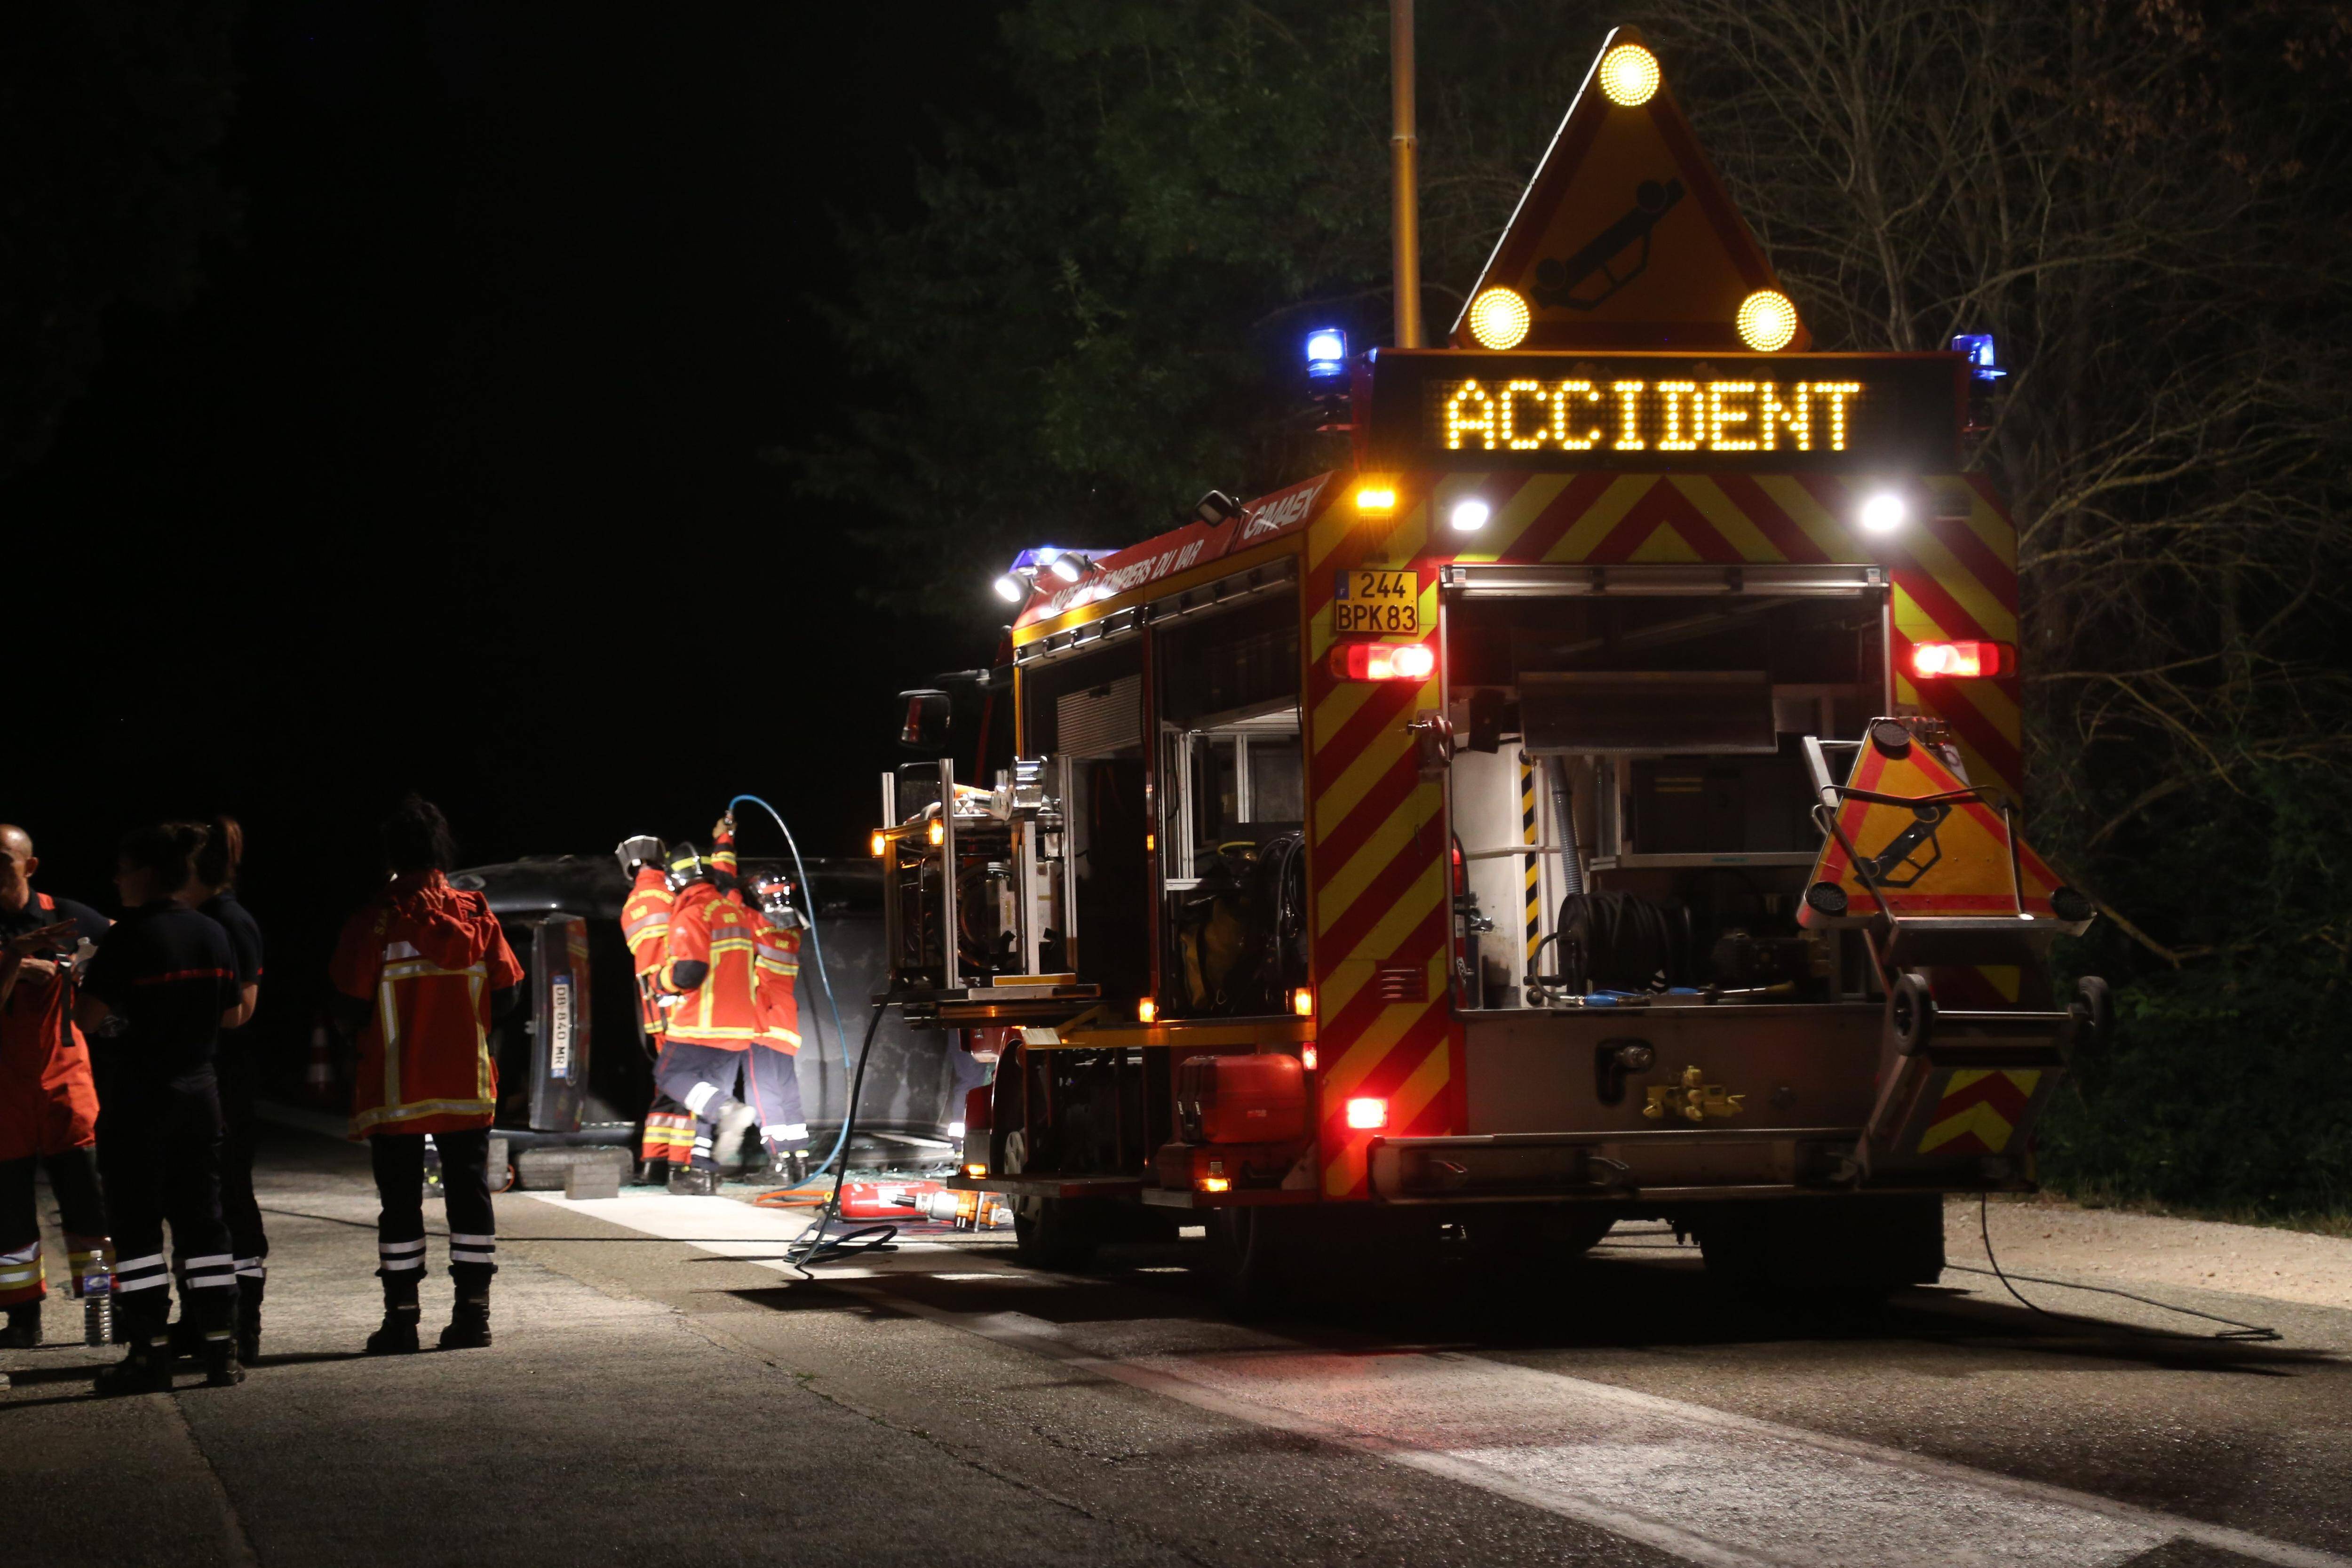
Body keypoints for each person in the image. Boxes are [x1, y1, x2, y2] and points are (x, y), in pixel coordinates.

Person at [328, 796, 522, 1354]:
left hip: (396, 1088)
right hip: (466, 1083)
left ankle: (401, 1321)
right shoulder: (477, 914)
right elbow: (508, 996)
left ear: (390, 855)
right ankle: (473, 1316)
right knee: (469, 1194)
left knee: (399, 1202)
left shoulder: (375, 921)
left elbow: (347, 1006)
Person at [75, 822, 244, 1392]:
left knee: (138, 1229)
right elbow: (230, 1013)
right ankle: (221, 1348)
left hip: (139, 1098)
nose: (116, 879)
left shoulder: (128, 938)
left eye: (124, 870)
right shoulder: (213, 931)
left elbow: (86, 1020)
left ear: (147, 874)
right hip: (201, 1094)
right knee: (205, 1224)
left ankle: (150, 1354)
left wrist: (88, 984)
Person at [0, 824, 111, 1348]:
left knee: (89, 1204)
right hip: (4, 1091)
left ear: (29, 866)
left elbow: (127, 946)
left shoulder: (67, 917)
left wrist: (94, 977)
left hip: (67, 1081)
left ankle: (103, 1306)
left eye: (1, 860)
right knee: (8, 1213)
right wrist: (13, 961)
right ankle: (23, 1318)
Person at [178, 816, 266, 1363]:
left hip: (227, 1080)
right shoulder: (198, 919)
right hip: (202, 1078)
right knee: (196, 1203)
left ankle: (243, 1322)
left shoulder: (230, 921)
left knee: (230, 1198)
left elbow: (242, 1010)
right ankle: (200, 1319)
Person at [649, 820, 765, 1196]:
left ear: (676, 879)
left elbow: (689, 971)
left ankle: (727, 1110)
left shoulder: (692, 913)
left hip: (703, 1023)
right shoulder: (733, 909)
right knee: (704, 1093)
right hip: (739, 1028)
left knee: (669, 1074)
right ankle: (703, 1171)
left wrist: (660, 980)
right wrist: (725, 840)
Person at [616, 835, 693, 1184]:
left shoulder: (631, 904)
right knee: (690, 1084)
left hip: (654, 1010)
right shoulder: (670, 896)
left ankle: (654, 1160)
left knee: (668, 1084)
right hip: (679, 1003)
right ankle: (681, 1164)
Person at [745, 868, 813, 1186]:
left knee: (761, 1092)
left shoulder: (757, 925)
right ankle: (800, 1159)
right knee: (787, 1092)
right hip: (786, 1022)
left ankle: (778, 1162)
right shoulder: (793, 931)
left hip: (762, 1022)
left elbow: (734, 911)